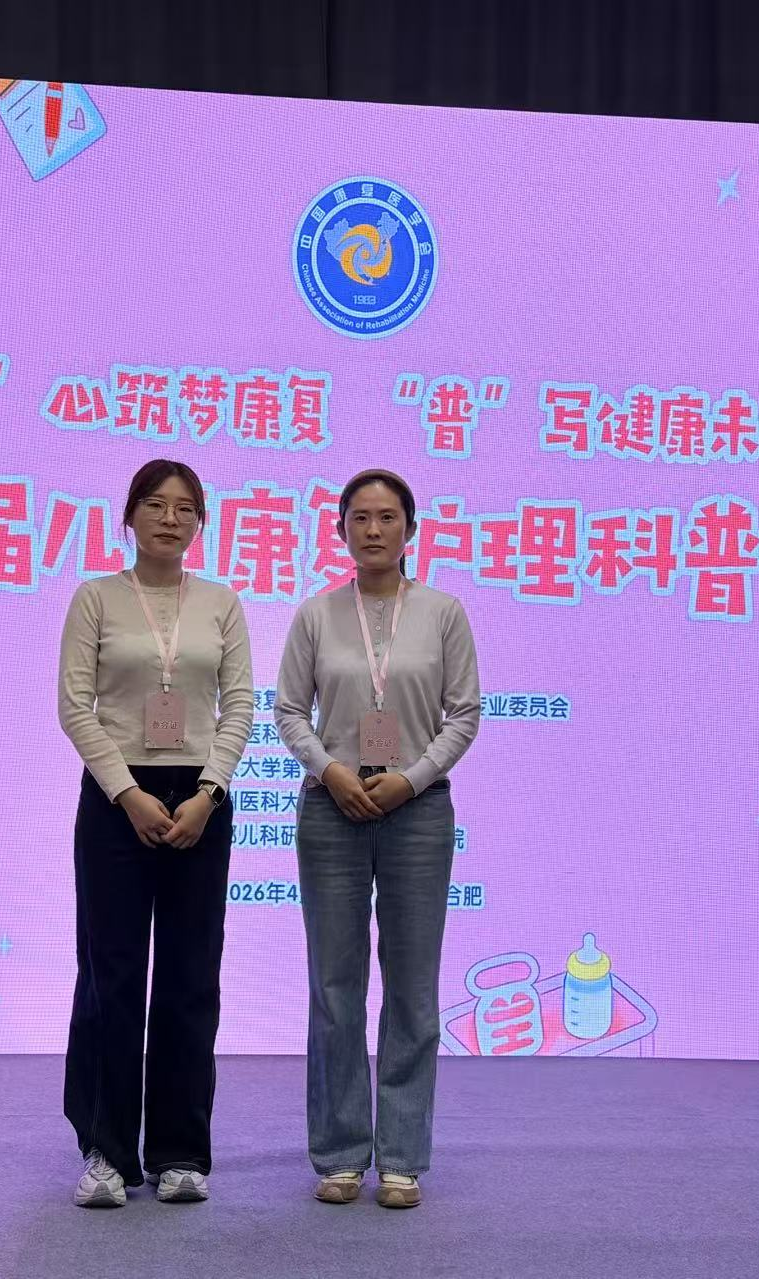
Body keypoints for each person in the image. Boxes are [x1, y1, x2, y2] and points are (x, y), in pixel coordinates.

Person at [275, 468, 481, 1209]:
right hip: (331, 808)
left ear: (410, 529)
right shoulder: (316, 615)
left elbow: (464, 713)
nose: (373, 529)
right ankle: (338, 1153)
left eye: (387, 517)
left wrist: (412, 779)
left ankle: (401, 1156)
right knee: (335, 986)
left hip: (417, 812)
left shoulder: (443, 613)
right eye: (359, 517)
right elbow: (288, 710)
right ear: (340, 530)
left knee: (413, 988)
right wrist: (331, 771)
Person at [58, 459, 253, 1208]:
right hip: (117, 799)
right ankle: (107, 1151)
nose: (170, 519)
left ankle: (180, 1153)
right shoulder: (96, 598)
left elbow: (238, 705)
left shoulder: (222, 603)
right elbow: (75, 706)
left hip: (201, 799)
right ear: (129, 515)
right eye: (154, 504)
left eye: (184, 508)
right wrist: (129, 794)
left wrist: (209, 793)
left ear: (200, 521)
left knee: (189, 977)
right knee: (110, 975)